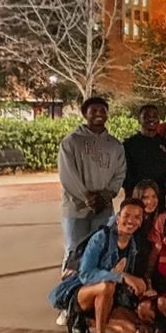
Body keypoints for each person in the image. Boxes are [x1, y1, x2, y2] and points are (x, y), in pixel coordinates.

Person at [49, 199, 146, 333]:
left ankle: (86, 321)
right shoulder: (102, 237)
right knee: (105, 287)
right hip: (83, 293)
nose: (131, 221)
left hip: (110, 299)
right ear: (117, 217)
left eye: (137, 217)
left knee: (135, 331)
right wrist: (122, 277)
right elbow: (86, 274)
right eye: (127, 215)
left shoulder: (133, 246)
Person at [58, 96, 127, 269]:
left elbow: (120, 173)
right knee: (74, 251)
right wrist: (86, 196)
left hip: (103, 207)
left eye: (102, 110)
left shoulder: (115, 145)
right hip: (76, 208)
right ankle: (69, 292)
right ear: (84, 114)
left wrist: (107, 194)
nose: (99, 114)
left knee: (102, 248)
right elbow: (67, 174)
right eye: (94, 110)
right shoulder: (71, 142)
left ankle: (95, 290)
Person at [123, 104, 166, 200]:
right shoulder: (129, 144)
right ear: (139, 120)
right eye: (146, 116)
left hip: (159, 195)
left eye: (154, 116)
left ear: (159, 120)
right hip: (136, 195)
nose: (151, 119)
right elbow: (125, 172)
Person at [130, 180, 163, 274]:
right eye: (145, 197)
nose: (150, 201)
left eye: (154, 196)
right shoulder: (130, 221)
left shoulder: (161, 220)